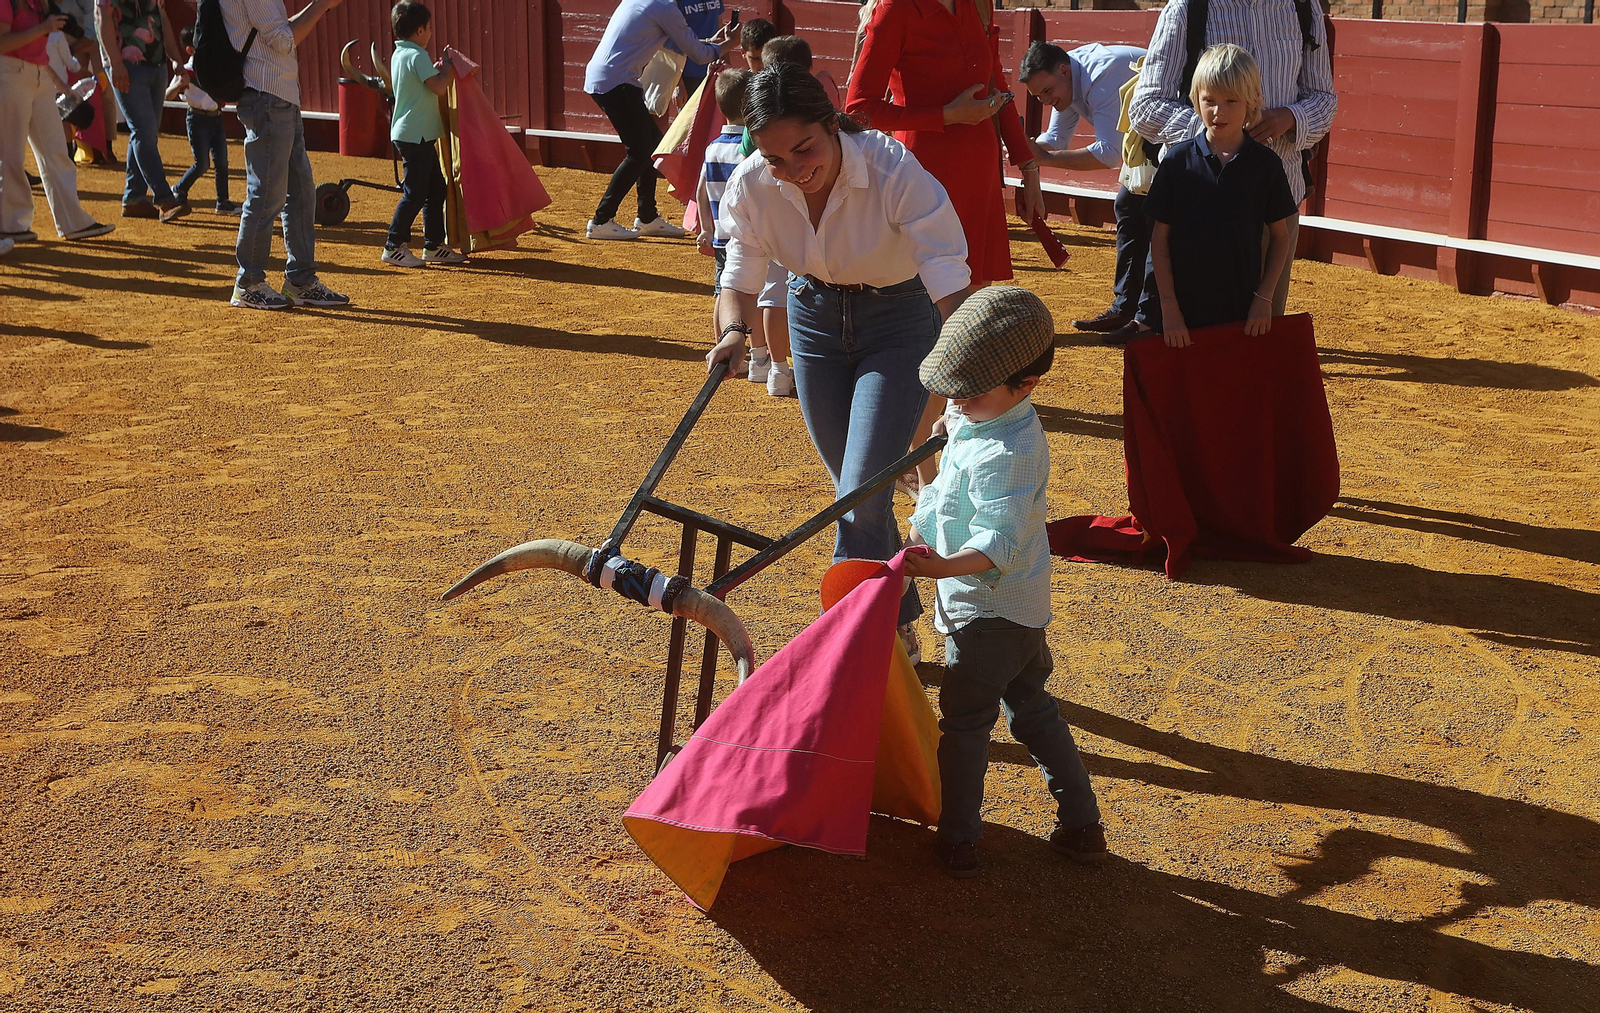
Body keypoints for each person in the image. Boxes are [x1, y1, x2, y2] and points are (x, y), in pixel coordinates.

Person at [707, 65, 973, 663]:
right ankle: (896, 619)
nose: (794, 169)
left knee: (858, 491)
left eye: (804, 148)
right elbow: (741, 270)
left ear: (832, 125)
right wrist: (731, 332)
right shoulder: (753, 183)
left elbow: (949, 276)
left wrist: (969, 357)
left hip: (900, 321)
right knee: (857, 493)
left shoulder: (890, 168)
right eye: (775, 158)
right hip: (814, 320)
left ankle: (855, 641)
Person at [905, 285, 1106, 879]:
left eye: (971, 391)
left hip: (988, 609)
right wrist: (925, 485)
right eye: (954, 388)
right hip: (1011, 607)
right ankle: (1082, 827)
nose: (957, 400)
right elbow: (947, 481)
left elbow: (998, 543)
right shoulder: (979, 416)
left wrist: (939, 567)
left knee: (965, 725)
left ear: (1027, 385)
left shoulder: (1012, 450)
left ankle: (959, 839)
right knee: (1032, 709)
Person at [846, 0, 1043, 493]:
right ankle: (918, 464)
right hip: (923, 177)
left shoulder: (977, 3)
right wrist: (946, 115)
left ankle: (933, 460)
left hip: (975, 178)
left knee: (967, 323)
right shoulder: (896, 10)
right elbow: (859, 107)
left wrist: (1029, 166)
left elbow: (997, 89)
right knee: (930, 324)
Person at [1121, 0, 1335, 343]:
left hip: (1270, 206)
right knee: (1191, 345)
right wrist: (1220, 132)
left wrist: (1289, 117)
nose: (1223, 109)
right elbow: (1145, 106)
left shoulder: (1301, 6)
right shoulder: (1186, 8)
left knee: (1255, 342)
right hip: (1195, 209)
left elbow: (1324, 99)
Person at [1146, 44, 1295, 349]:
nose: (1219, 111)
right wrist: (1169, 308)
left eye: (1231, 100)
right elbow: (1159, 239)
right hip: (1184, 316)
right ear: (1196, 98)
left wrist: (1264, 298)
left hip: (1243, 313)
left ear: (1251, 100)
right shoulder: (1176, 162)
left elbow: (1281, 238)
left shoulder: (1266, 166)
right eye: (1209, 100)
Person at [221, 0, 350, 310]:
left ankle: (300, 281)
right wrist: (320, 6)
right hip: (267, 96)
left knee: (301, 192)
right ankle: (249, 283)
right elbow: (283, 40)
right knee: (267, 194)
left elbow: (275, 31)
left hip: (279, 96)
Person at [1017, 40, 1150, 337]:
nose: (1044, 101)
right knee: (1130, 207)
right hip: (1149, 146)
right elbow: (1055, 140)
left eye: (1047, 92)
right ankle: (1127, 309)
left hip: (1181, 137)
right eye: (1038, 96)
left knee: (1155, 218)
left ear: (1063, 70)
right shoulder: (1068, 78)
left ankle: (1148, 315)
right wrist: (1024, 150)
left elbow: (1107, 154)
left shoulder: (1102, 76)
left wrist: (1042, 158)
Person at [582, 0, 736, 241]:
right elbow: (698, 55)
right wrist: (729, 45)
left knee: (649, 148)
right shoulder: (664, 7)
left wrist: (715, 43)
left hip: (612, 79)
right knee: (639, 152)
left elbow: (686, 47)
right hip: (618, 83)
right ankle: (601, 220)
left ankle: (646, 217)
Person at [694, 68, 798, 395]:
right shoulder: (750, 155)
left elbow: (700, 191)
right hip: (752, 234)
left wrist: (707, 227)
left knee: (722, 292)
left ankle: (735, 352)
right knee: (768, 294)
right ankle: (761, 358)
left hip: (724, 236)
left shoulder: (713, 149)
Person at [0, 0, 115, 242]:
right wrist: (43, 28)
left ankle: (73, 222)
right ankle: (11, 224)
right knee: (11, 155)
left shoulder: (38, 4)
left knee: (56, 150)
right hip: (10, 75)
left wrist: (57, 83)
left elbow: (39, 52)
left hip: (39, 76)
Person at [381, 1, 466, 268]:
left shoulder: (400, 54)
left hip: (414, 133)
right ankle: (393, 245)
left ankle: (433, 245)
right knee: (415, 193)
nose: (430, 33)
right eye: (428, 28)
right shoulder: (417, 56)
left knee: (435, 189)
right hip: (415, 134)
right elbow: (440, 87)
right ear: (419, 30)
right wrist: (448, 66)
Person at [96, 0, 187, 221]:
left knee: (146, 132)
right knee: (144, 130)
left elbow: (161, 17)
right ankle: (164, 197)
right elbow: (102, 18)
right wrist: (115, 63)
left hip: (155, 65)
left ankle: (134, 198)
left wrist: (175, 58)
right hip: (126, 66)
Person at [167, 27, 240, 214]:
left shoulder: (211, 65)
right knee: (202, 164)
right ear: (190, 49)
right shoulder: (186, 71)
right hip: (197, 119)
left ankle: (223, 202)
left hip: (215, 118)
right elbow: (167, 96)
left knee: (222, 163)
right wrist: (179, 83)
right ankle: (179, 188)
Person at [673, 0, 721, 99]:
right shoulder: (676, 2)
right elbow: (672, 40)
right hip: (688, 73)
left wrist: (726, 67)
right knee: (689, 114)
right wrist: (678, 83)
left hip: (714, 70)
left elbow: (720, 30)